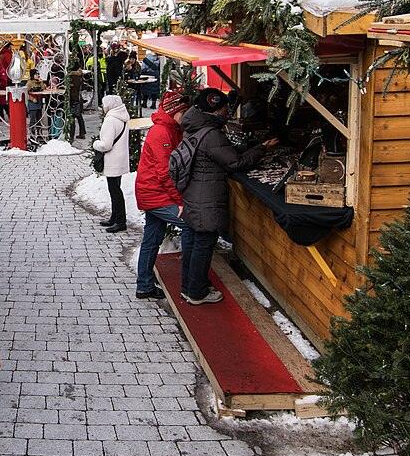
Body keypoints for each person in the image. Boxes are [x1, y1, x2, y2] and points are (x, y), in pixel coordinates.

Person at [169, 88, 276, 304]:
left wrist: (248, 147)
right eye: (225, 107)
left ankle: (189, 287)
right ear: (216, 109)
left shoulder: (195, 126)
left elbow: (222, 153)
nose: (228, 111)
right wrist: (262, 148)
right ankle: (197, 292)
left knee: (193, 242)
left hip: (194, 194)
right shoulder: (211, 134)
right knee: (203, 245)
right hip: (206, 199)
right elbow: (235, 162)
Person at [132, 91, 192, 299]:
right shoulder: (161, 132)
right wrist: (179, 200)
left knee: (151, 239)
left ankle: (144, 285)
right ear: (175, 111)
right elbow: (165, 172)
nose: (186, 116)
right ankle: (190, 281)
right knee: (189, 224)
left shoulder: (170, 128)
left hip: (154, 192)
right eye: (183, 112)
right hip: (155, 194)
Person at [93, 94, 131, 233]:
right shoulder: (122, 117)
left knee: (115, 191)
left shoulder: (110, 120)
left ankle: (120, 221)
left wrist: (96, 144)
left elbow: (106, 145)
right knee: (116, 188)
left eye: (104, 104)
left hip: (112, 160)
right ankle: (114, 217)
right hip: (120, 159)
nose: (103, 107)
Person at [26, 69, 46, 144]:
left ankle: (40, 135)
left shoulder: (39, 82)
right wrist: (31, 98)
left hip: (39, 103)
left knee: (39, 120)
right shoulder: (29, 83)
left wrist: (41, 82)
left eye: (38, 74)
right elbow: (26, 93)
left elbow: (43, 88)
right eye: (36, 74)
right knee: (33, 120)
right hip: (33, 104)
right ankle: (32, 135)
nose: (37, 75)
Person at [67, 69, 86, 140]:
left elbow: (71, 89)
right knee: (79, 116)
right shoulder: (79, 77)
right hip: (78, 99)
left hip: (73, 99)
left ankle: (71, 135)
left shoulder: (72, 77)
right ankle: (82, 133)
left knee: (72, 117)